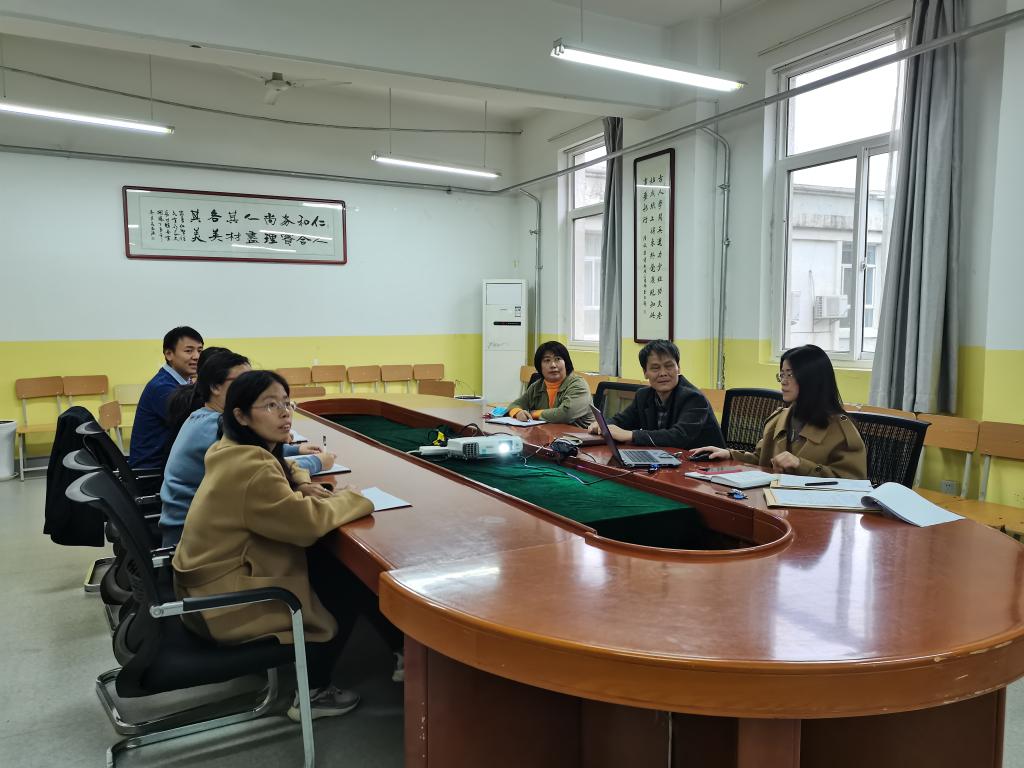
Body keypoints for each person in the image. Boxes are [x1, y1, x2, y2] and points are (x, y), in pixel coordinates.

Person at [172, 370, 384, 721]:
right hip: (225, 605)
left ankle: (397, 650)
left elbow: (280, 468)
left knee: (330, 565)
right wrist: (355, 499)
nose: (285, 413)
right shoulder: (251, 467)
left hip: (203, 590)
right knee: (346, 581)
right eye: (270, 405)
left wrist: (301, 484)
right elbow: (306, 525)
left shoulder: (232, 449)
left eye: (287, 402)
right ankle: (313, 693)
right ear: (241, 415)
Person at [158, 350, 330, 547]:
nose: (250, 388)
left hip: (198, 528)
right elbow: (262, 468)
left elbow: (260, 454)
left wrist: (295, 452)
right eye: (241, 381)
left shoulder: (202, 416)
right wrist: (317, 462)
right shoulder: (216, 428)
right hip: (193, 537)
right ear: (215, 387)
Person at [691, 344, 867, 479]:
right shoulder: (779, 419)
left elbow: (853, 482)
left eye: (790, 374)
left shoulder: (840, 430)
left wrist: (800, 464)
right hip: (774, 502)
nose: (783, 381)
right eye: (782, 374)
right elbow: (762, 460)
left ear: (812, 379)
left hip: (816, 510)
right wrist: (729, 454)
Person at [589, 339, 725, 448]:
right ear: (645, 372)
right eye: (655, 368)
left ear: (678, 368)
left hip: (706, 465)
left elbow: (679, 436)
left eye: (669, 366)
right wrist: (602, 425)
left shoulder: (694, 398)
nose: (663, 373)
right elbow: (622, 421)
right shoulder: (643, 396)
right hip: (666, 460)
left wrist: (631, 435)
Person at [128, 326, 204, 469]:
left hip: (169, 463)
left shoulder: (181, 381)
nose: (196, 356)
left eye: (200, 351)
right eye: (189, 351)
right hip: (152, 470)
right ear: (169, 354)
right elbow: (196, 426)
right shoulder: (163, 387)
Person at [505, 341, 593, 427]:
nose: (553, 365)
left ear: (566, 363)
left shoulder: (578, 385)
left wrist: (533, 413)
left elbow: (566, 414)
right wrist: (518, 412)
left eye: (557, 359)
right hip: (549, 433)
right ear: (540, 366)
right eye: (547, 360)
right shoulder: (537, 386)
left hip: (580, 434)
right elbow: (514, 405)